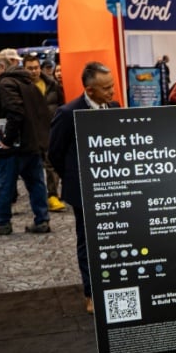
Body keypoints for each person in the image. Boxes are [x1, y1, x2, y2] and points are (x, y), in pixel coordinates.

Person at [49, 62, 118, 314]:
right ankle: (91, 292)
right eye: (106, 88)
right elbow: (55, 152)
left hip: (114, 187)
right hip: (83, 190)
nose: (112, 92)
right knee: (88, 242)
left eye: (112, 86)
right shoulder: (68, 113)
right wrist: (72, 177)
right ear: (90, 90)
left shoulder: (115, 108)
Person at [0, 54, 53, 236]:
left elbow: (15, 113)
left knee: (4, 183)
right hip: (32, 143)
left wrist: (6, 140)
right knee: (36, 183)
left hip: (14, 146)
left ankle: (1, 222)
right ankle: (42, 220)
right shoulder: (28, 83)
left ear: (1, 67)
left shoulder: (5, 84)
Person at [24, 53, 66, 213]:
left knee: (52, 164)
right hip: (31, 132)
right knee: (30, 168)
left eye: (36, 68)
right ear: (24, 68)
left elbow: (61, 104)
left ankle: (52, 195)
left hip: (50, 129)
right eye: (30, 68)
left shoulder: (52, 84)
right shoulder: (21, 86)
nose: (33, 71)